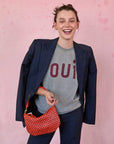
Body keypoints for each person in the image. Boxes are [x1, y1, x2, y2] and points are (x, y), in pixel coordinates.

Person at [16, 4, 97, 144]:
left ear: (77, 24)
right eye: (62, 21)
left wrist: (88, 114)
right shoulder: (39, 47)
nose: (67, 25)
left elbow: (90, 86)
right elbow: (27, 80)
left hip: (73, 112)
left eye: (72, 21)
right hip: (44, 111)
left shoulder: (86, 52)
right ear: (55, 25)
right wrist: (44, 93)